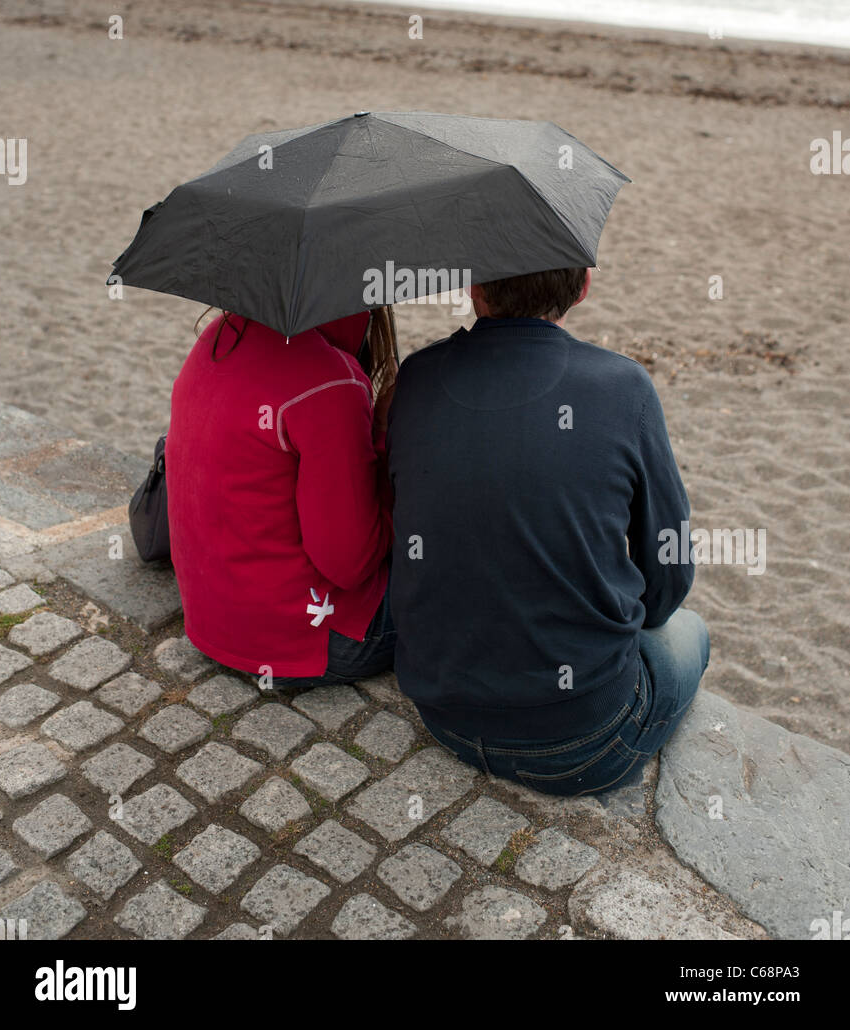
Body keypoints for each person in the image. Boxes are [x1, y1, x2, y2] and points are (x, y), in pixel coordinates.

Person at [386, 268, 709, 796]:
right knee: (692, 632)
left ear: (474, 287)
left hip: (443, 713)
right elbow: (668, 574)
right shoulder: (624, 387)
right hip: (583, 741)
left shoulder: (418, 376)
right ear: (582, 287)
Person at [166, 306, 397, 685]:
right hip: (302, 640)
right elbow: (349, 564)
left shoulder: (220, 334)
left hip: (210, 620)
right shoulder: (330, 381)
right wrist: (387, 440)